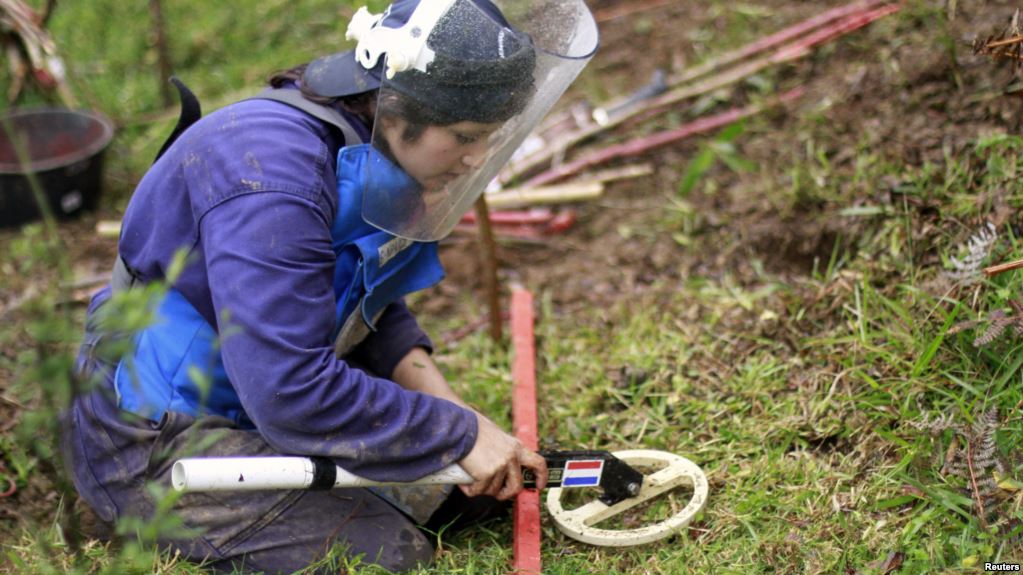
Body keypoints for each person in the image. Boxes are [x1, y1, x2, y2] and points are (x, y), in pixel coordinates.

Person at [60, 0, 597, 572]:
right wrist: (454, 435)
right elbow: (288, 390)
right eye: (464, 135)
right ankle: (121, 504)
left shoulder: (367, 142)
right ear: (397, 111)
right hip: (151, 428)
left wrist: (453, 414)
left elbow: (362, 298)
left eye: (486, 138)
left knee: (456, 503)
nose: (474, 159)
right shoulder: (271, 176)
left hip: (256, 392)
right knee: (387, 555)